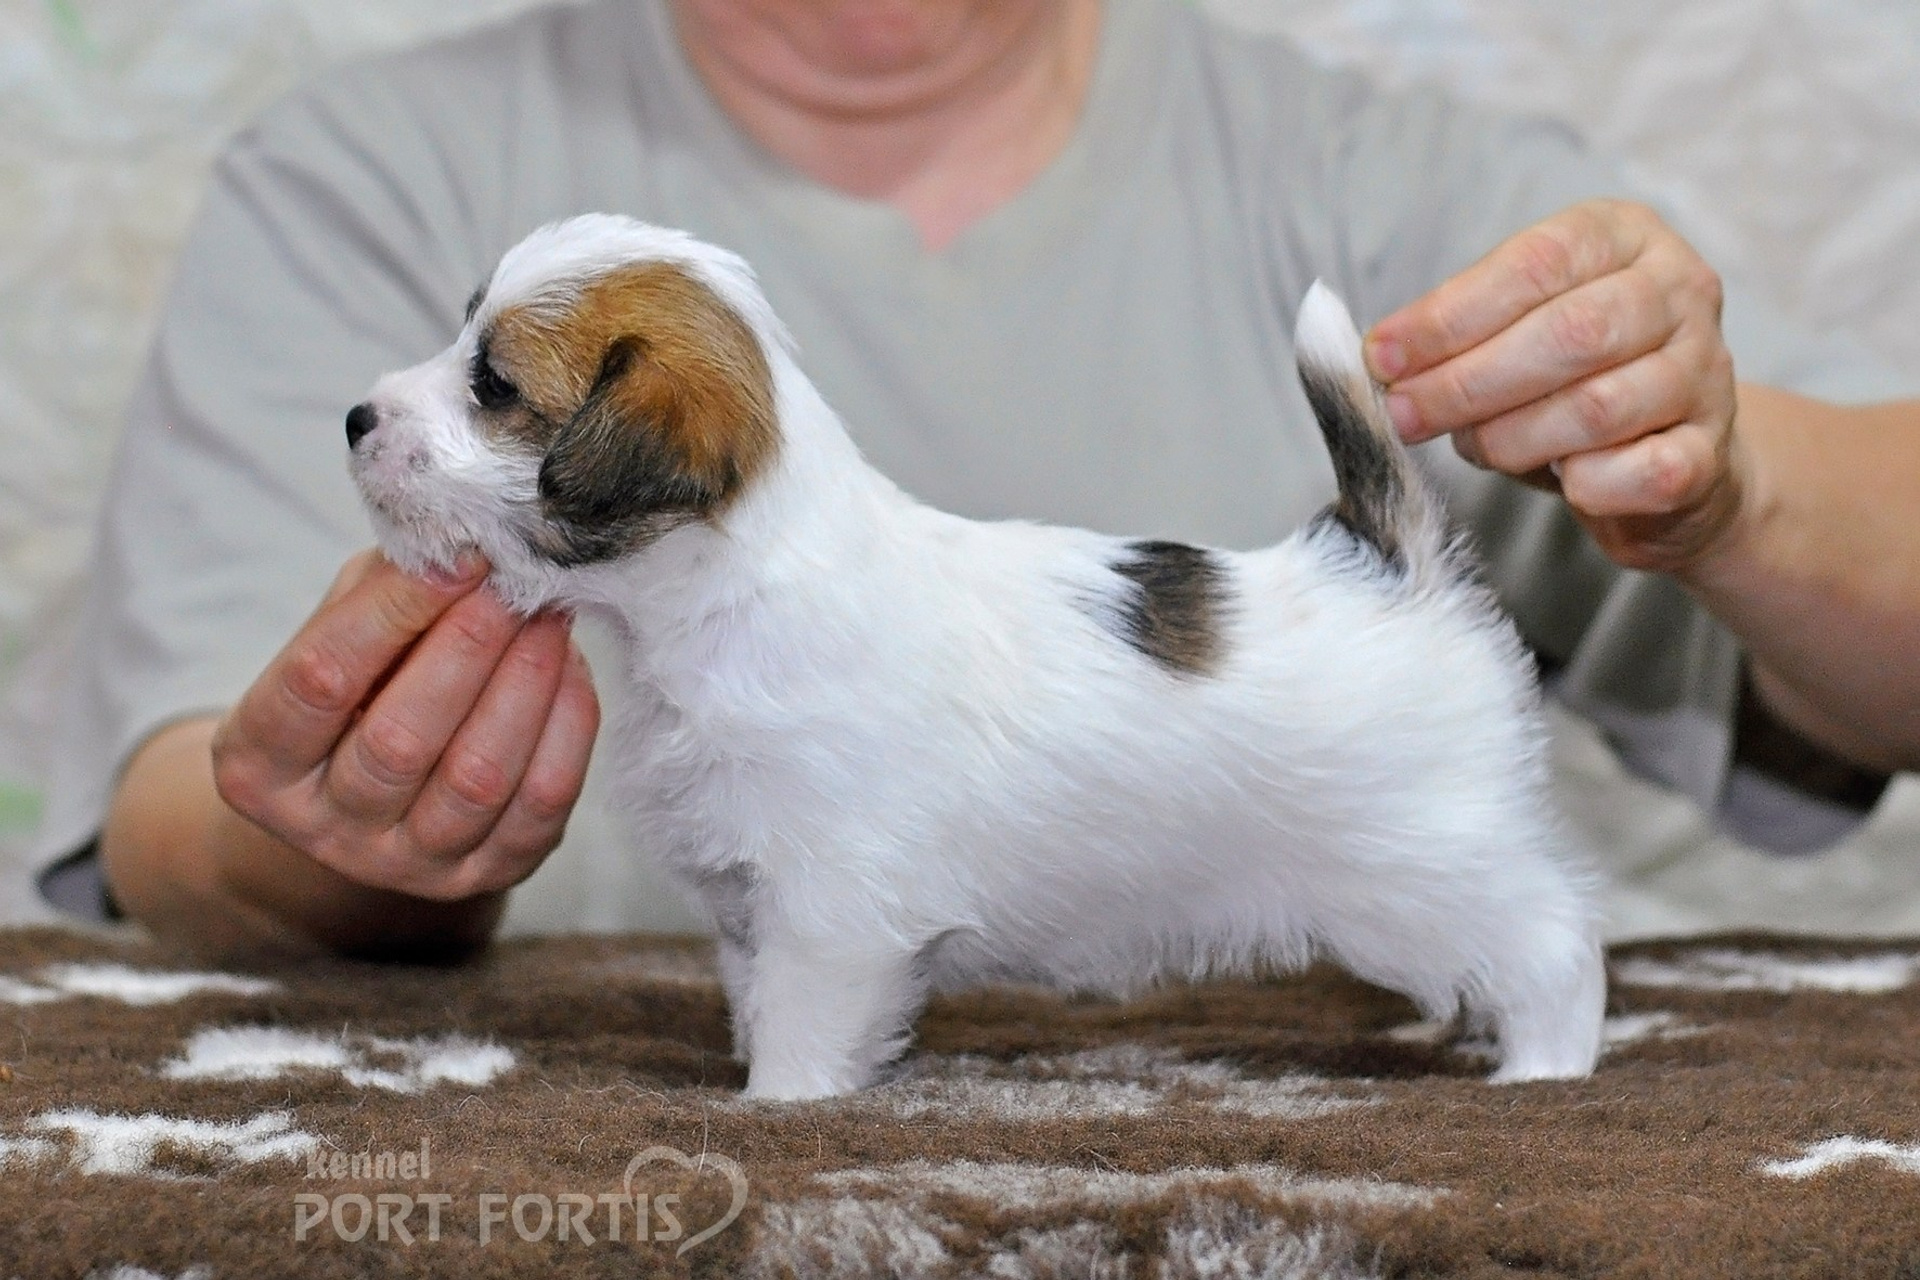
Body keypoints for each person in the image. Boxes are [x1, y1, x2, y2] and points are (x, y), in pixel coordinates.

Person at [33, 0, 1920, 962]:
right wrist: (349, 854)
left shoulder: (1376, 185)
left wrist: (1736, 489)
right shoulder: (365, 177)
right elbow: (175, 820)